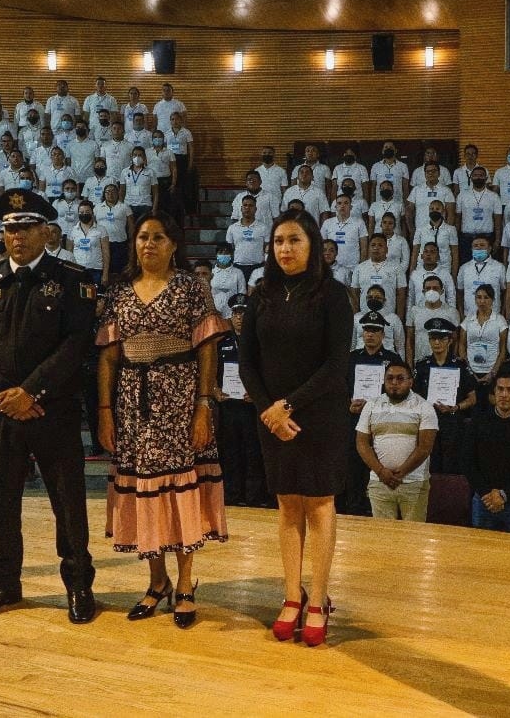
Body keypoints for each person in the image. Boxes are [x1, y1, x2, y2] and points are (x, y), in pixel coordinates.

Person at [0, 188, 98, 624]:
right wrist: (7, 396)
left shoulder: (73, 279)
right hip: (1, 411)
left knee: (68, 501)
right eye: (9, 229)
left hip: (54, 410)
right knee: (0, 502)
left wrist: (31, 393)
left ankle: (78, 584)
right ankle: (2, 584)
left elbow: (77, 344)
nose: (16, 237)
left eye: (25, 228)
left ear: (46, 232)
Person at [95, 211, 230, 629]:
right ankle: (158, 581)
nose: (148, 244)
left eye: (158, 237)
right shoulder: (119, 293)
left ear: (173, 245)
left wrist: (203, 405)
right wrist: (104, 412)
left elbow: (207, 348)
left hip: (180, 401)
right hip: (132, 405)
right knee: (144, 491)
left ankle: (185, 583)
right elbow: (108, 357)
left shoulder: (191, 287)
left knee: (181, 491)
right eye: (142, 237)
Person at [237, 209, 353, 647]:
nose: (284, 249)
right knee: (287, 505)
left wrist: (288, 405)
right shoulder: (261, 294)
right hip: (272, 417)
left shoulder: (333, 295)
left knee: (319, 503)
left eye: (294, 240)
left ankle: (318, 599)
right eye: (279, 241)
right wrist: (269, 411)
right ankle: (291, 595)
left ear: (313, 245)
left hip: (319, 414)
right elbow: (247, 362)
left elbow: (337, 365)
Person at [460, 370, 510, 533]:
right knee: (480, 546)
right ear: (494, 391)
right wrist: (486, 493)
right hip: (483, 499)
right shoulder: (478, 421)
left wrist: (504, 495)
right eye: (500, 389)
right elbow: (467, 461)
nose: (504, 394)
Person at [355, 361, 438, 521]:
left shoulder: (424, 406)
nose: (394, 383)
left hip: (414, 483)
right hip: (380, 483)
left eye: (400, 378)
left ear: (410, 382)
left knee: (413, 534)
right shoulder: (371, 405)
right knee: (383, 534)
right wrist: (381, 472)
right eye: (390, 378)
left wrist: (399, 474)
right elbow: (361, 443)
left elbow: (425, 447)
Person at [342, 311, 405, 515]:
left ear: (383, 335)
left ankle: (377, 510)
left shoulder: (392, 360)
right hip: (355, 419)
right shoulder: (351, 358)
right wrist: (347, 405)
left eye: (375, 330)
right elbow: (340, 387)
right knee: (354, 467)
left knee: (380, 465)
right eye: (367, 330)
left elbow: (401, 391)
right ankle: (353, 509)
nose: (370, 334)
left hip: (383, 422)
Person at [214, 294, 266, 507]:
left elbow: (266, 373)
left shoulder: (258, 343)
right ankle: (232, 495)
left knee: (253, 451)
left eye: (243, 313)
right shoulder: (222, 343)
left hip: (250, 406)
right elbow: (212, 371)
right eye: (236, 313)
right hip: (228, 405)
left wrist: (257, 393)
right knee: (230, 451)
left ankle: (254, 497)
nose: (239, 318)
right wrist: (215, 390)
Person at [413, 317, 478, 473]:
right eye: (433, 338)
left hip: (453, 422)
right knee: (430, 465)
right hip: (428, 422)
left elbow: (473, 398)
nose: (437, 343)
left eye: (442, 338)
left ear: (450, 341)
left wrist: (456, 407)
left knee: (452, 465)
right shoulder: (421, 366)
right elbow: (412, 396)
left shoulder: (460, 365)